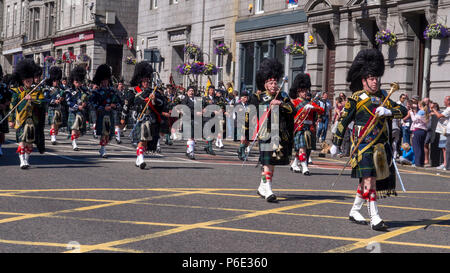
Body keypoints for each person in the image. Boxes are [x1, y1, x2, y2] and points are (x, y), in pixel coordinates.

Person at [330, 48, 408, 231]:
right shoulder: (356, 98)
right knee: (370, 180)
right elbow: (344, 120)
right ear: (364, 80)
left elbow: (403, 111)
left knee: (367, 180)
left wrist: (389, 111)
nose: (375, 81)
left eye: (377, 78)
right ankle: (375, 217)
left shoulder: (384, 97)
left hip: (380, 147)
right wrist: (336, 142)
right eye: (372, 78)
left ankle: (355, 210)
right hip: (363, 145)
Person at [249, 58, 294, 202]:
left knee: (272, 162)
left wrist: (280, 103)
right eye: (271, 82)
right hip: (265, 133)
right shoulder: (258, 97)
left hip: (279, 134)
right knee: (267, 162)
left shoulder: (283, 96)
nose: (274, 85)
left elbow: (293, 110)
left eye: (275, 82)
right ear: (265, 84)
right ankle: (268, 188)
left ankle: (263, 186)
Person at [10, 59, 46, 169]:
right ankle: (22, 160)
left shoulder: (37, 91)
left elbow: (42, 102)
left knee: (29, 142)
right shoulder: (17, 91)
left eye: (30, 78)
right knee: (22, 140)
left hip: (32, 120)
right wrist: (11, 120)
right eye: (26, 79)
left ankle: (26, 159)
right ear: (23, 79)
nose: (29, 80)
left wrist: (32, 100)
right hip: (21, 119)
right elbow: (12, 106)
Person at [289, 73, 324, 175]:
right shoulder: (294, 102)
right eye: (302, 91)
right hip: (299, 128)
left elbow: (321, 111)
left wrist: (314, 108)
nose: (305, 93)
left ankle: (295, 164)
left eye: (306, 91)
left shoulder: (310, 103)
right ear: (298, 92)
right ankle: (304, 166)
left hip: (309, 128)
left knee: (304, 148)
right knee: (302, 147)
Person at [89, 64, 121, 158]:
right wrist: (103, 108)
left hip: (110, 115)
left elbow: (119, 103)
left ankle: (102, 147)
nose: (104, 83)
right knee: (104, 133)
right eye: (102, 81)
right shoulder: (96, 92)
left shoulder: (113, 91)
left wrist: (114, 105)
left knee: (108, 135)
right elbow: (93, 104)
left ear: (108, 81)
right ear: (100, 81)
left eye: (106, 81)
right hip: (101, 115)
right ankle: (103, 149)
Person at [66, 65, 89, 151]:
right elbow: (68, 102)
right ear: (73, 81)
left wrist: (85, 103)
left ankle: (74, 139)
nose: (78, 83)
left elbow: (88, 99)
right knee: (74, 127)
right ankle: (74, 143)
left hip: (81, 112)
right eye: (77, 82)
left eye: (80, 82)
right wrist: (77, 106)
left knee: (79, 130)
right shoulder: (69, 90)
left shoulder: (84, 90)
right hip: (73, 111)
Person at [44, 66, 65, 145]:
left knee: (57, 125)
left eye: (57, 81)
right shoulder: (48, 89)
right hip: (51, 107)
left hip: (58, 108)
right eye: (55, 81)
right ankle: (53, 137)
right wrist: (53, 101)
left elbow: (64, 96)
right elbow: (46, 99)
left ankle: (54, 134)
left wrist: (62, 99)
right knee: (53, 122)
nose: (56, 82)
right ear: (52, 81)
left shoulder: (60, 89)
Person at [431, 96, 450, 170]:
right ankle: (446, 164)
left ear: (449, 101)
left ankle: (447, 166)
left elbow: (439, 116)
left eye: (445, 100)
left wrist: (433, 109)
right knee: (446, 148)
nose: (444, 102)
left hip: (448, 131)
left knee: (447, 149)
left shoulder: (448, 109)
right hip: (445, 130)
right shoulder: (447, 109)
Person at [410, 100, 429, 167]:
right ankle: (421, 162)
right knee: (421, 146)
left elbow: (414, 119)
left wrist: (411, 113)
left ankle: (417, 163)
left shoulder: (421, 111)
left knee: (416, 147)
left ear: (419, 105)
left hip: (418, 130)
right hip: (423, 131)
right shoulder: (425, 112)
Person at [0, 65, 12, 157]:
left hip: (2, 112)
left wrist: (7, 103)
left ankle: (0, 147)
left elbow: (10, 96)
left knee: (1, 133)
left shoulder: (3, 86)